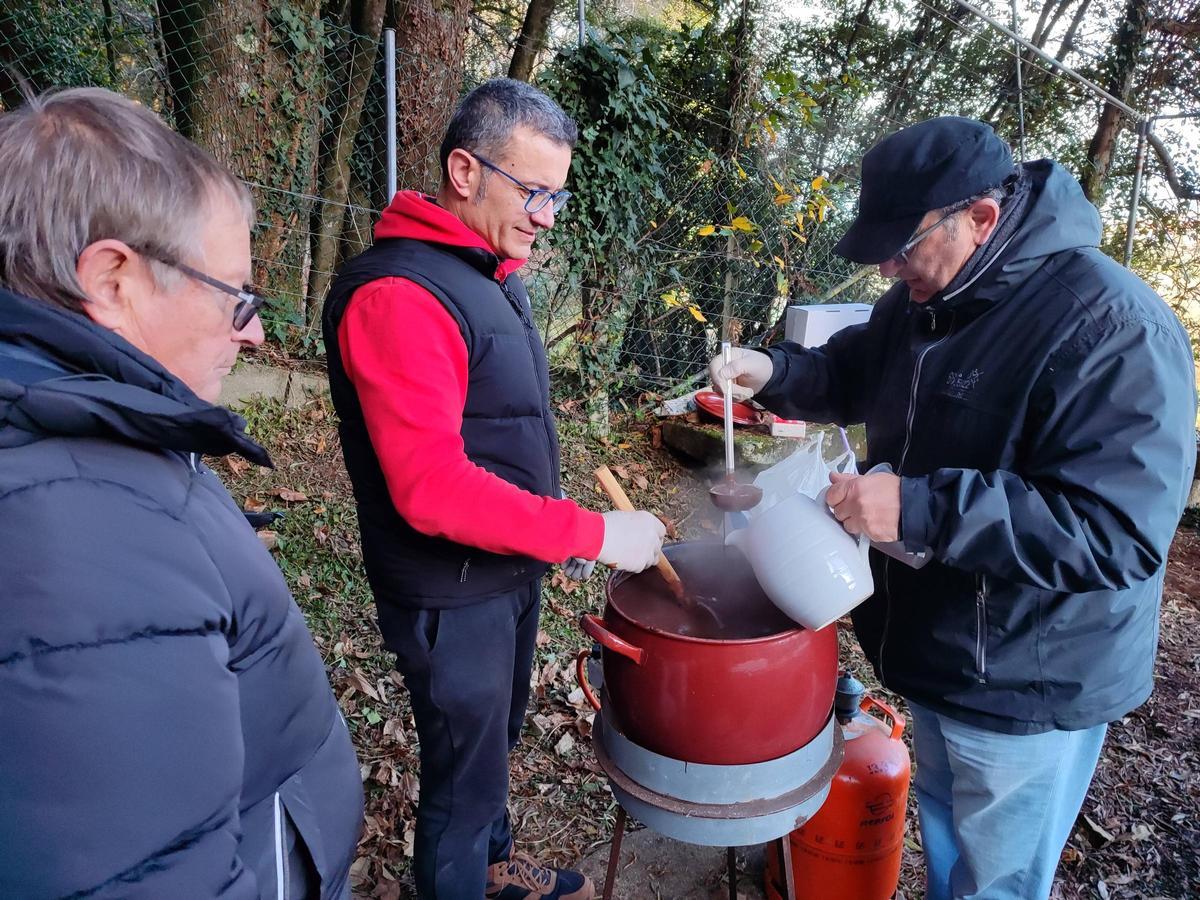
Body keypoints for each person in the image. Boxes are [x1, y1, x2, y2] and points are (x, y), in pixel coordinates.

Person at [711, 116, 1197, 900]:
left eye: (904, 248)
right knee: (943, 835)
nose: (890, 270)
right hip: (939, 648)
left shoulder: (1111, 327)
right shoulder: (925, 296)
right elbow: (852, 372)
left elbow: (1115, 533)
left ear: (980, 217)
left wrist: (919, 507)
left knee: (995, 879)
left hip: (1028, 676)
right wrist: (770, 371)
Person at [0, 87, 364, 897]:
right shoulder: (76, 525)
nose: (257, 333)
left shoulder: (87, 432)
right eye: (235, 296)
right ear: (115, 280)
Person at [322, 78, 664, 900]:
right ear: (464, 171)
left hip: (503, 573)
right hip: (449, 591)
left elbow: (498, 433)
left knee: (491, 742)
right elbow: (431, 488)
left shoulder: (486, 269)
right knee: (461, 776)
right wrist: (591, 533)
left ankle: (493, 865)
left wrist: (555, 535)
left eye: (559, 195)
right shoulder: (402, 294)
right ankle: (457, 877)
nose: (548, 214)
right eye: (534, 191)